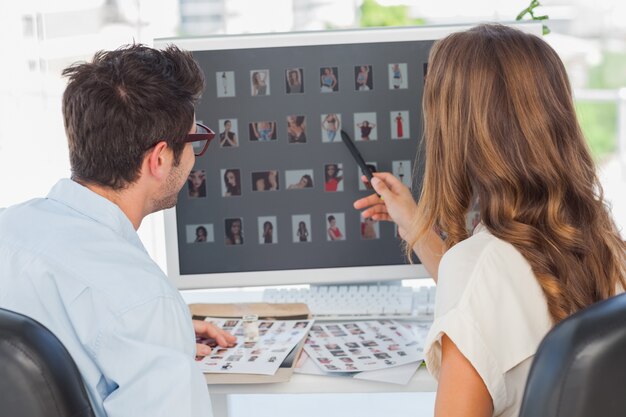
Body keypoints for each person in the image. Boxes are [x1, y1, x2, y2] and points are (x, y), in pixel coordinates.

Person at [354, 24, 625, 417]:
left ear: (455, 132)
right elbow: (496, 300)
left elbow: (484, 290)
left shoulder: (479, 268)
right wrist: (418, 229)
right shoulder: (601, 236)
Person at [0, 44, 237, 417]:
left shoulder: (6, 229)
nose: (193, 157)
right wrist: (156, 332)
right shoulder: (142, 303)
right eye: (195, 140)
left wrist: (152, 344)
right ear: (159, 159)